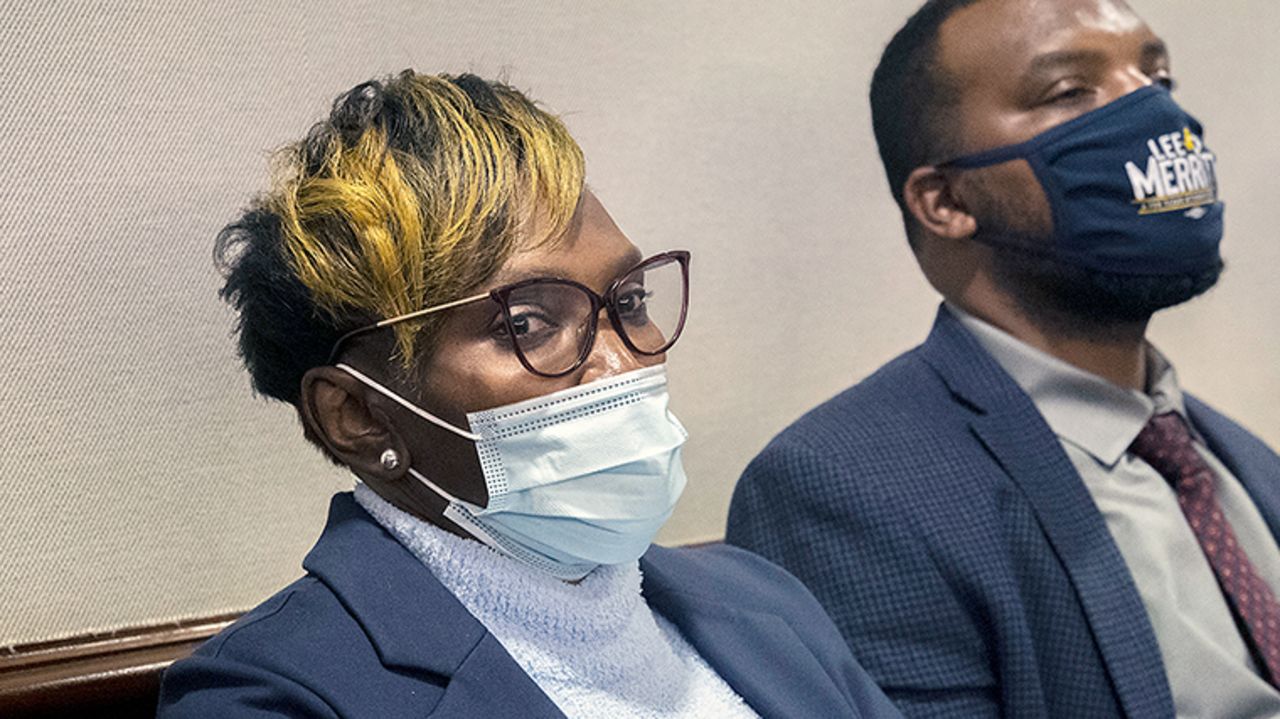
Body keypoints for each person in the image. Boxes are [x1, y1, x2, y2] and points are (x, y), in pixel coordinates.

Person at [156, 70, 898, 719]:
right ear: (356, 414)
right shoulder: (276, 695)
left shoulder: (762, 598)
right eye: (527, 323)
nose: (619, 362)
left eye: (630, 299)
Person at [727, 1, 1280, 717]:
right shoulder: (842, 489)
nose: (1150, 112)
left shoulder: (1238, 458)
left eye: (1157, 77)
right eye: (1070, 92)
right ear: (947, 199)